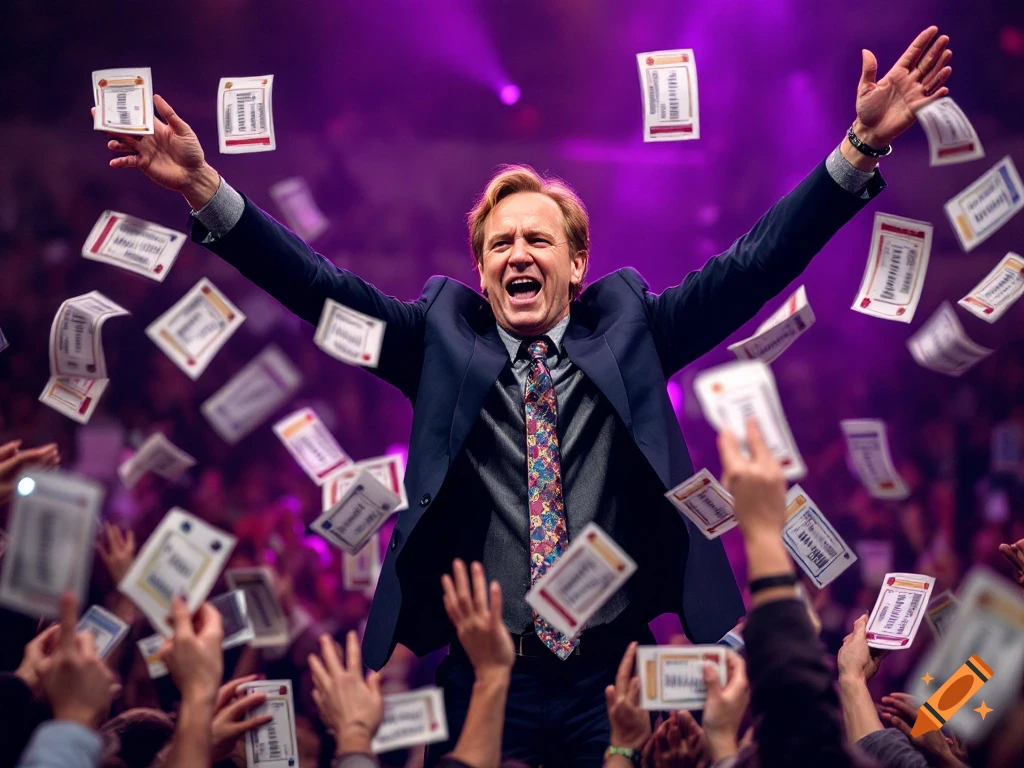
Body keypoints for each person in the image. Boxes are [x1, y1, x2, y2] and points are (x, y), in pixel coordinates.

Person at [95, 25, 953, 765]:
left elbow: (752, 265)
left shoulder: (634, 328)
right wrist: (206, 188)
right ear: (480, 269)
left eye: (537, 239)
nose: (517, 254)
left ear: (576, 265)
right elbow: (316, 285)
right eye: (500, 243)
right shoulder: (437, 337)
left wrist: (858, 150)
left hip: (614, 668)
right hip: (481, 665)